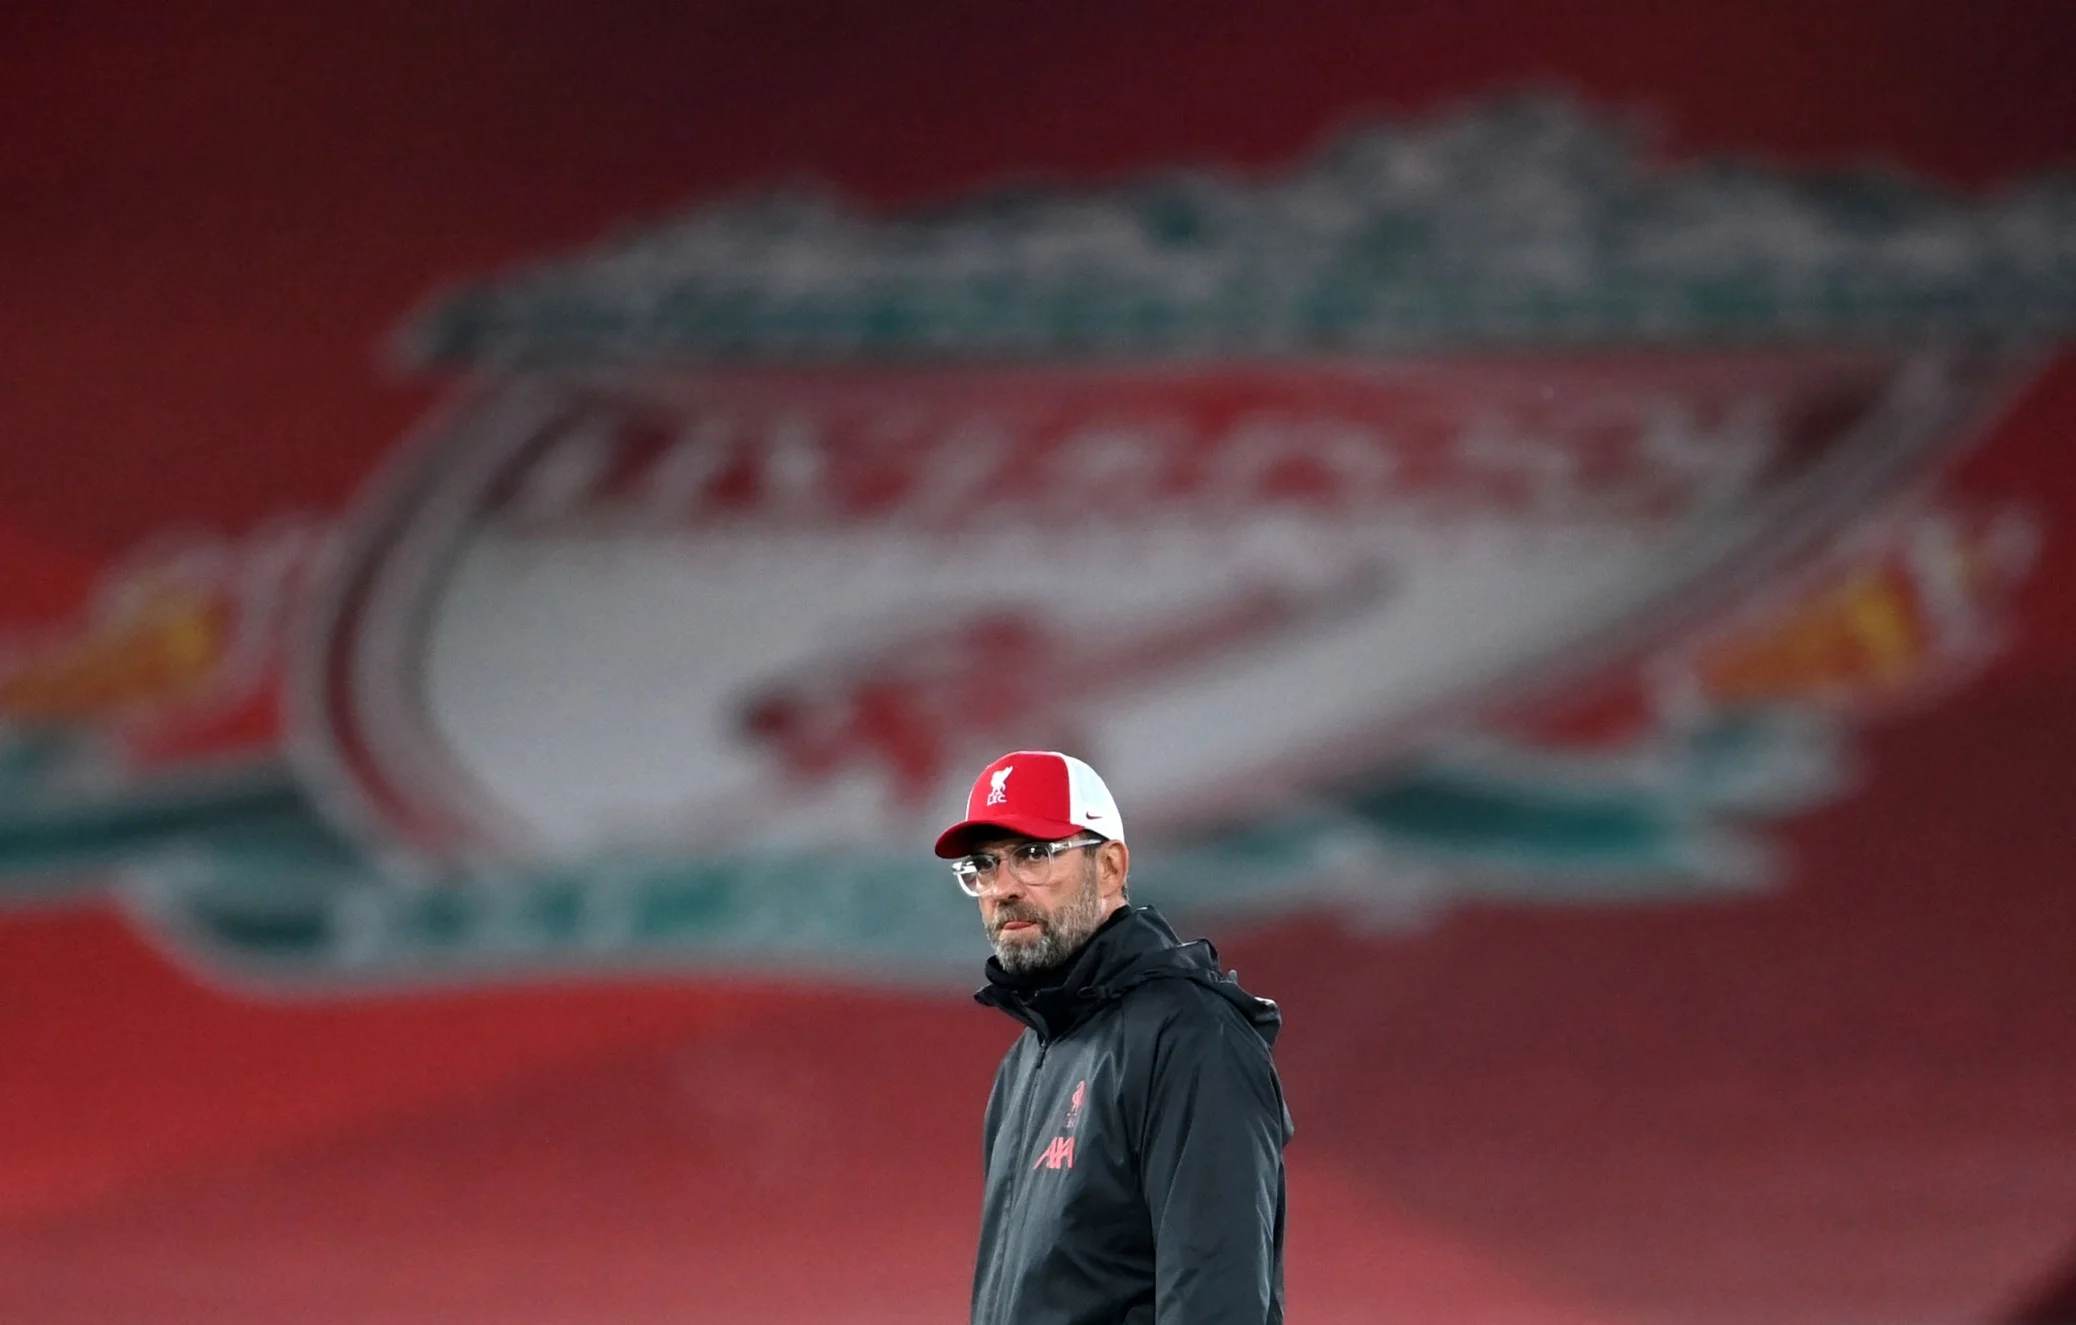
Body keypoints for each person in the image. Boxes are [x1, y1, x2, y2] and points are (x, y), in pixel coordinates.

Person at [937, 749, 1293, 1325]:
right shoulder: (1026, 1061)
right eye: (985, 864)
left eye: (1033, 855)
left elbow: (1216, 1304)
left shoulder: (1191, 1038)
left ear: (1109, 866)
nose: (1002, 887)